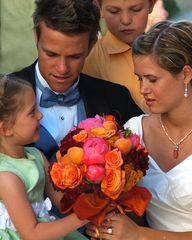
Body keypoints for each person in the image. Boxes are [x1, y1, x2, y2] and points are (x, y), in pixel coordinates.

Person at [86, 20, 192, 239]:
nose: (143, 90)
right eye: (139, 78)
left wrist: (140, 235)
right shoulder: (134, 131)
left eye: (152, 79)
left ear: (186, 74)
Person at [9, 0, 142, 163]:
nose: (62, 68)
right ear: (37, 37)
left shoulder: (117, 99)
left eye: (74, 56)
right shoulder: (4, 94)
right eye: (51, 54)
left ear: (91, 45)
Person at [0, 75, 89, 240]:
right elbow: (31, 233)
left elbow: (63, 202)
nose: (40, 115)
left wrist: (95, 200)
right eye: (32, 112)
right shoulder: (6, 176)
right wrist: (83, 217)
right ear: (6, 129)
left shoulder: (36, 155)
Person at [83, 0, 157, 112]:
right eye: (114, 11)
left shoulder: (167, 51)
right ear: (99, 7)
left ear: (151, 4)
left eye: (136, 9)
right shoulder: (88, 59)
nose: (126, 20)